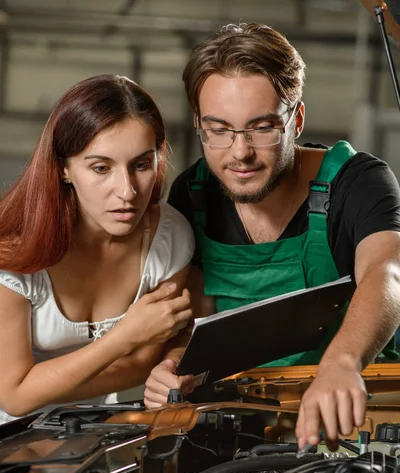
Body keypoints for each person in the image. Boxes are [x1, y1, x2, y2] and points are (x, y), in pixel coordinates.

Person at [144, 22, 400, 450]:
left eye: (261, 128)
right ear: (199, 125)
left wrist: (341, 363)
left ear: (296, 119)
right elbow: (195, 316)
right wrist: (174, 364)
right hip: (241, 424)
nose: (239, 152)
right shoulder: (194, 194)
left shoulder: (360, 182)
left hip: (359, 416)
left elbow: (387, 270)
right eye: (219, 130)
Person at [0, 74, 194, 424]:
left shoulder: (168, 237)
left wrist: (38, 386)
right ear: (63, 169)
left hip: (87, 433)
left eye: (141, 165)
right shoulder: (11, 252)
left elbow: (140, 366)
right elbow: (13, 399)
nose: (127, 191)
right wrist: (125, 336)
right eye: (101, 168)